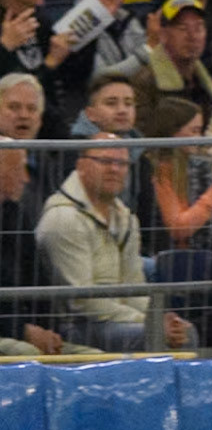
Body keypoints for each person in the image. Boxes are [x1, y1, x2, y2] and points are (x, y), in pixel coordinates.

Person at [37, 134, 193, 352]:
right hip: (78, 324)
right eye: (105, 161)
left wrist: (159, 320)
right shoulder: (63, 218)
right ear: (81, 165)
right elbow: (83, 301)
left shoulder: (126, 217)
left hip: (119, 318)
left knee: (185, 333)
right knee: (156, 337)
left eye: (121, 163)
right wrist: (149, 323)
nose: (114, 169)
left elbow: (135, 285)